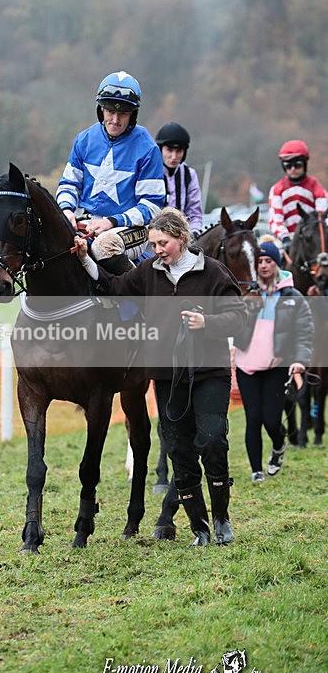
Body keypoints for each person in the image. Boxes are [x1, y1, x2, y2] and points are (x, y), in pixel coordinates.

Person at [73, 207, 246, 545]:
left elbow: (238, 317)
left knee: (212, 442)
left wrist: (208, 323)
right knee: (179, 451)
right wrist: (84, 259)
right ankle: (200, 528)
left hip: (209, 373)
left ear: (181, 238)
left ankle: (222, 520)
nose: (157, 250)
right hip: (167, 376)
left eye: (162, 243)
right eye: (152, 244)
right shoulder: (148, 272)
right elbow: (114, 286)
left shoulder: (213, 272)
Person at [56, 70, 165, 274]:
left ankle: (134, 287)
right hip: (85, 222)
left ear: (133, 114)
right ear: (101, 110)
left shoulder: (148, 148)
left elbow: (151, 206)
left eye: (122, 113)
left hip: (131, 228)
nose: (115, 120)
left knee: (103, 247)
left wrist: (112, 221)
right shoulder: (84, 140)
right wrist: (66, 211)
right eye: (109, 112)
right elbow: (69, 184)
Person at [233, 239, 314, 482]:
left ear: (276, 263)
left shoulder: (292, 295)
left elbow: (304, 331)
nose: (264, 265)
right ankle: (256, 471)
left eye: (268, 261)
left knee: (271, 419)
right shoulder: (246, 293)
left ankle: (279, 446)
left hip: (276, 365)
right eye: (259, 261)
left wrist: (300, 359)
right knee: (253, 418)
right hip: (246, 364)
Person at [268, 139, 327, 250]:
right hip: (286, 240)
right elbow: (275, 220)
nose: (293, 169)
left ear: (305, 165)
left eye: (297, 165)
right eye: (288, 166)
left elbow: (322, 215)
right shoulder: (277, 189)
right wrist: (284, 237)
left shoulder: (315, 186)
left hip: (313, 238)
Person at [155, 121, 203, 237]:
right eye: (169, 150)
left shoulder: (189, 175)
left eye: (179, 151)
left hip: (180, 237)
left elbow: (194, 212)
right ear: (160, 149)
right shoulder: (150, 173)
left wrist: (195, 231)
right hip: (152, 236)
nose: (174, 156)